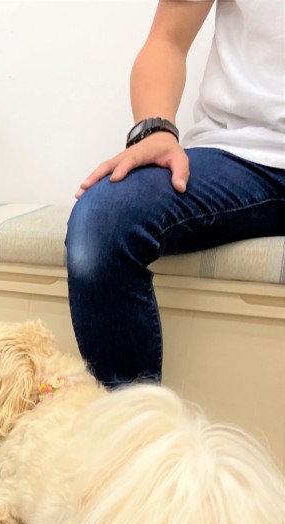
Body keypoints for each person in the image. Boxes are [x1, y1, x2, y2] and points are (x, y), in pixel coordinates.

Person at [65, 0, 285, 387]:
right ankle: (133, 424)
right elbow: (167, 40)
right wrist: (155, 129)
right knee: (104, 220)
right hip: (241, 157)